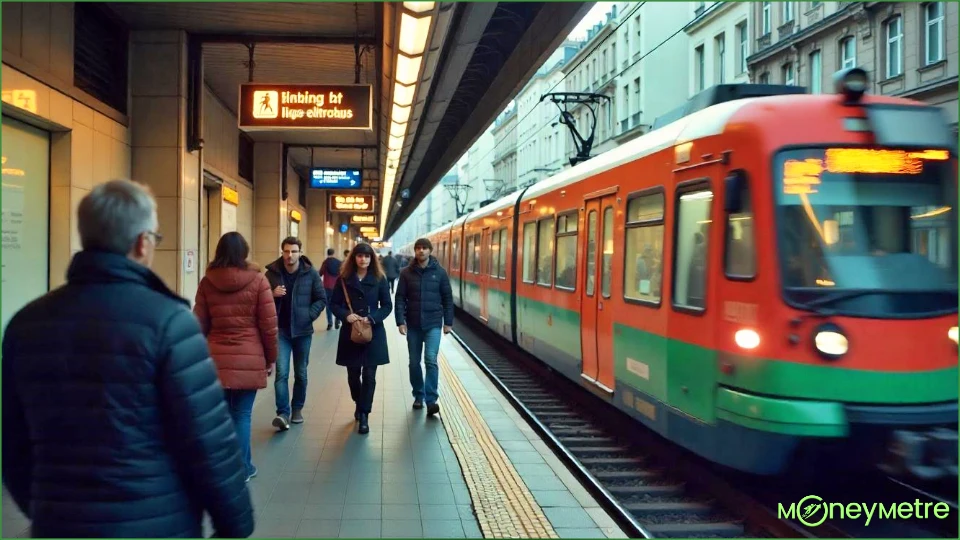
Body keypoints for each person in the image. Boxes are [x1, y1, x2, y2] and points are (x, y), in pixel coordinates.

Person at [1, 179, 254, 538]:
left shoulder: (25, 324)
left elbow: (12, 444)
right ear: (142, 242)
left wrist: (51, 509)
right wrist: (236, 524)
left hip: (57, 524)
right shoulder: (169, 322)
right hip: (158, 522)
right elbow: (208, 440)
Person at [194, 231, 279, 483]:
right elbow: (269, 325)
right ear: (244, 252)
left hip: (215, 357)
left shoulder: (207, 281)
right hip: (249, 356)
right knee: (241, 415)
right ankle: (242, 468)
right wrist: (270, 357)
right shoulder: (258, 281)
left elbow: (198, 323)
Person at [329, 243, 393, 434]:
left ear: (371, 258)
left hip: (373, 332)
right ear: (354, 258)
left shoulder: (380, 279)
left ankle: (364, 413)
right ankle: (358, 401)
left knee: (370, 375)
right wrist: (345, 316)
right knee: (352, 375)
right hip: (351, 332)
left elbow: (387, 305)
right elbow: (334, 304)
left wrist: (373, 318)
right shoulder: (344, 279)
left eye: (367, 256)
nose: (363, 259)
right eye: (359, 256)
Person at [264, 237, 326, 431]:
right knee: (281, 373)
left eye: (293, 251)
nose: (289, 256)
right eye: (286, 251)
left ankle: (297, 408)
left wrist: (309, 315)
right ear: (282, 252)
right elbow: (260, 299)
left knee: (301, 372)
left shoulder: (310, 274)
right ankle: (282, 412)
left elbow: (321, 299)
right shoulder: (271, 274)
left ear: (300, 252)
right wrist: (271, 295)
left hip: (303, 331)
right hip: (280, 331)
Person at [395, 237, 454, 416]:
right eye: (418, 248)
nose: (421, 251)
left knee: (430, 359)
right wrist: (400, 321)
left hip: (433, 323)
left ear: (430, 250)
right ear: (415, 251)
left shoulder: (440, 273)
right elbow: (399, 298)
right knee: (414, 362)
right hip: (412, 324)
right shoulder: (406, 273)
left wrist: (448, 322)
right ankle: (418, 395)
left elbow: (447, 298)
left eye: (424, 248)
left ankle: (431, 400)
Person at [318, 248, 342, 330]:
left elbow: (320, 273)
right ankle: (338, 320)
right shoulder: (339, 262)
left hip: (327, 287)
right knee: (338, 304)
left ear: (327, 253)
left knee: (328, 305)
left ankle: (330, 323)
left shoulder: (325, 263)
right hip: (337, 287)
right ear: (334, 253)